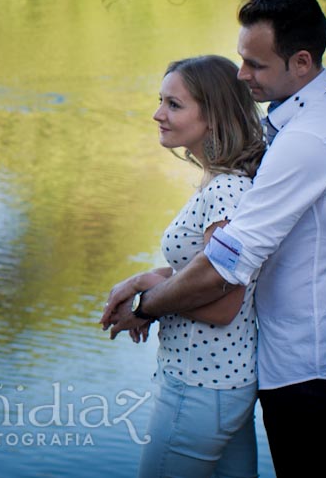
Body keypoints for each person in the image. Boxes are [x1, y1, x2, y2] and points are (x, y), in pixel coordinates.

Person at [101, 0, 326, 478]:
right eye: (241, 59)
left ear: (300, 61)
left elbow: (224, 274)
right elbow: (225, 257)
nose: (241, 74)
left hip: (306, 368)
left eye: (256, 64)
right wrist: (152, 277)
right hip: (320, 351)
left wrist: (146, 307)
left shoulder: (305, 141)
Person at [110, 55, 267, 477]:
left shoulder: (227, 192)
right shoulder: (222, 181)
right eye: (161, 101)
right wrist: (146, 279)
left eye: (174, 105)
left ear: (213, 115)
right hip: (219, 385)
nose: (158, 114)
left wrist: (148, 304)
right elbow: (203, 274)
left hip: (199, 388)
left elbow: (223, 305)